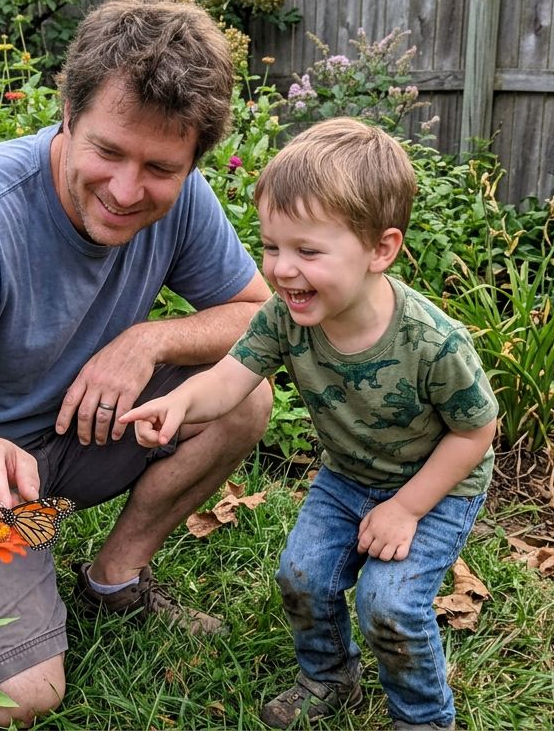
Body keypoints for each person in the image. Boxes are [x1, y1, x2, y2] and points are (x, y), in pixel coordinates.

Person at [0, 0, 273, 726]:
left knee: (242, 397)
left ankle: (113, 579)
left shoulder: (185, 198)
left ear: (193, 158)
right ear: (66, 114)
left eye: (161, 169)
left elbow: (261, 316)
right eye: (107, 151)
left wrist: (149, 339)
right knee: (21, 698)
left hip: (62, 433)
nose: (128, 190)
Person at [120, 117, 498, 731]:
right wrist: (180, 404)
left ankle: (425, 717)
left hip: (433, 487)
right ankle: (328, 677)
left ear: (381, 248)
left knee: (390, 604)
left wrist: (405, 509)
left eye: (308, 251)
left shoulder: (433, 343)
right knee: (302, 576)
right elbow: (232, 377)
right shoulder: (285, 317)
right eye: (272, 247)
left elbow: (475, 433)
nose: (282, 269)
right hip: (346, 477)